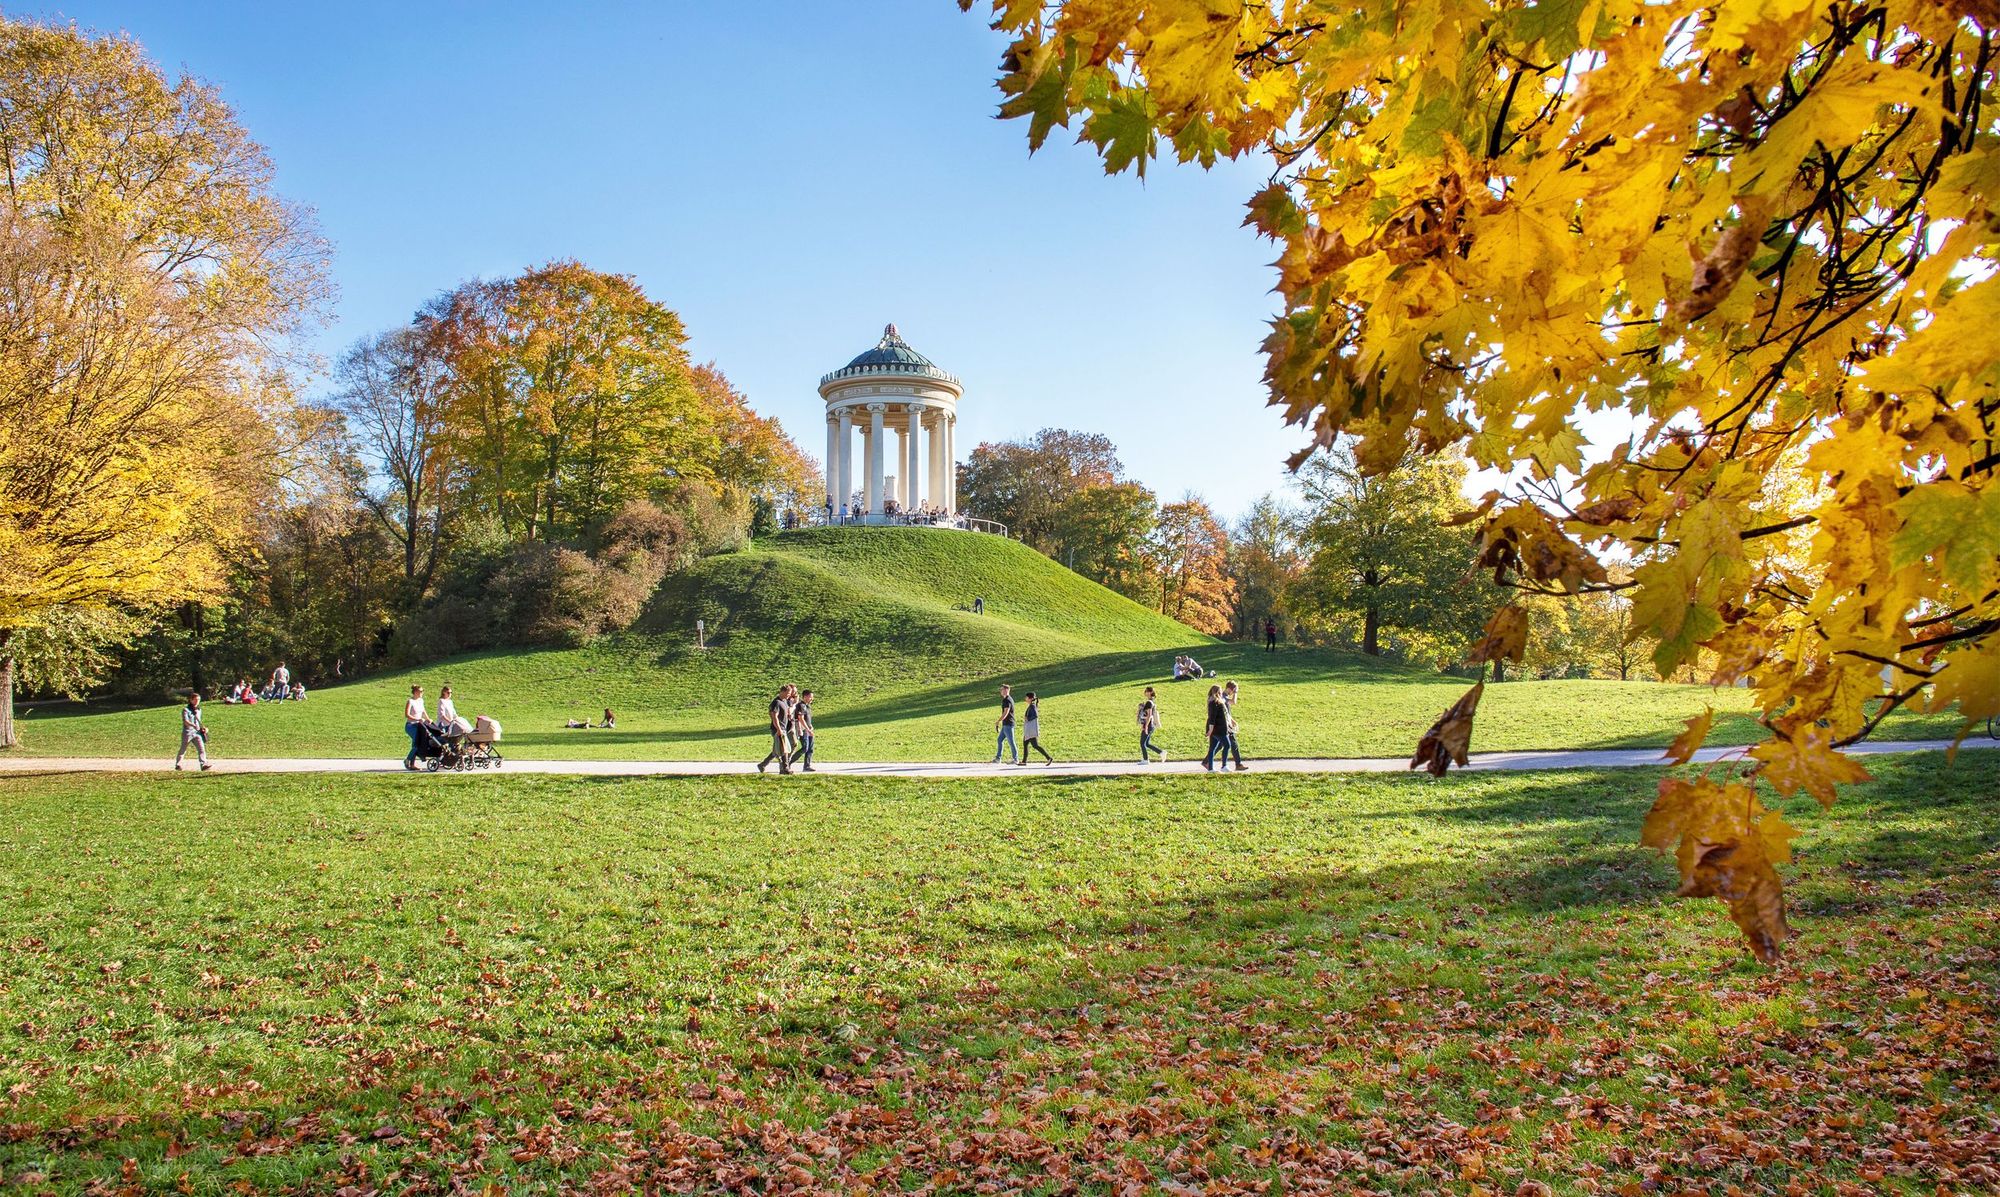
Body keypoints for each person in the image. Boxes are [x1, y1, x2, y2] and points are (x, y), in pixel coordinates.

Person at [758, 684, 795, 774]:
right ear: (782, 691)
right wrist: (778, 729)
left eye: (790, 693)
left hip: (784, 728)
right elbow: (774, 716)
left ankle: (763, 764)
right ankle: (785, 769)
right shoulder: (776, 702)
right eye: (788, 693)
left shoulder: (785, 701)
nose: (789, 695)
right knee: (784, 748)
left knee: (777, 750)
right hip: (778, 729)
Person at [175, 692, 211, 771]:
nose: (197, 701)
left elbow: (199, 721)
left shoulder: (199, 710)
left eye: (198, 700)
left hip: (197, 733)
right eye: (195, 700)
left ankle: (203, 764)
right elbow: (185, 721)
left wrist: (204, 728)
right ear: (191, 700)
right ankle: (178, 764)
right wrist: (193, 725)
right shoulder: (186, 710)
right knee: (183, 749)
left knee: (201, 749)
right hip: (188, 732)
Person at [1202, 683, 1230, 772]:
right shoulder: (1214, 702)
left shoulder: (1214, 701)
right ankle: (1224, 766)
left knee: (1212, 748)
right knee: (1227, 745)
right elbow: (1212, 717)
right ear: (1218, 692)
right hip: (1218, 729)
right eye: (1220, 691)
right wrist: (1210, 730)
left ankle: (1211, 768)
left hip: (1217, 728)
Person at [1019, 692, 1053, 765]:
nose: (1025, 699)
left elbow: (1035, 715)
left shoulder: (1032, 706)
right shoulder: (1031, 706)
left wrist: (1027, 718)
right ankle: (1024, 761)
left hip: (1031, 730)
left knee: (1035, 745)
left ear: (1030, 699)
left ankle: (1049, 758)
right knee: (1025, 744)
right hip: (1029, 730)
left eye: (1026, 697)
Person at [1221, 680, 1248, 771]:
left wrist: (1232, 720)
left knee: (1231, 744)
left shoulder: (1225, 696)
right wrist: (1236, 693)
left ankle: (1238, 764)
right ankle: (1238, 764)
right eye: (1233, 690)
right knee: (1224, 745)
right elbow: (1233, 702)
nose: (1233, 692)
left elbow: (1226, 712)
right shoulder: (1223, 696)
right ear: (1229, 689)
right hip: (1224, 724)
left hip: (1227, 723)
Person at [789, 689, 816, 772]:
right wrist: (807, 729)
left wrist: (810, 727)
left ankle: (807, 766)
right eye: (810, 697)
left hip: (809, 729)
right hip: (804, 730)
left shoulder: (807, 706)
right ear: (805, 696)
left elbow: (807, 719)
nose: (812, 699)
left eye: (812, 697)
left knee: (810, 748)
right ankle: (788, 763)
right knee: (805, 748)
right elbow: (801, 718)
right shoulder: (801, 705)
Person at [1137, 686, 1166, 763]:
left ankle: (1146, 760)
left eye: (1146, 691)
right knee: (1147, 743)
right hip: (1151, 725)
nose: (1145, 692)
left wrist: (1145, 726)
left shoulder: (1149, 702)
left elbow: (1149, 715)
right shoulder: (1151, 702)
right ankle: (1161, 752)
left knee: (1142, 743)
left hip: (1149, 725)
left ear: (1150, 692)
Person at [991, 683, 1017, 764]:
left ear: (1006, 690)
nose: (1000, 691)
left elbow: (1006, 712)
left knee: (1011, 741)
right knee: (999, 740)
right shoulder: (1008, 699)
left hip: (1008, 724)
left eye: (1002, 689)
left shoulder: (1007, 700)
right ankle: (998, 758)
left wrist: (999, 721)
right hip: (1006, 724)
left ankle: (1015, 759)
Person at [404, 684, 427, 770]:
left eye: (422, 691)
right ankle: (408, 760)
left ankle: (412, 764)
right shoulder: (410, 701)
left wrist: (428, 719)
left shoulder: (421, 700)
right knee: (417, 743)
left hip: (419, 725)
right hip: (410, 726)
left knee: (416, 744)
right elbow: (407, 714)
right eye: (420, 691)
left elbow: (423, 712)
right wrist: (417, 718)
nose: (422, 693)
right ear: (415, 692)